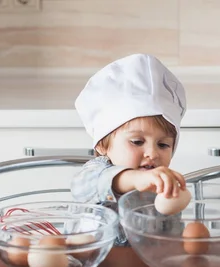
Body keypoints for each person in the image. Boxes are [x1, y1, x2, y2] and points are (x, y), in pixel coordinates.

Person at [71, 53, 188, 245]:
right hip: (93, 265)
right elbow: (82, 186)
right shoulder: (95, 172)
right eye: (137, 141)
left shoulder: (160, 186)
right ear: (102, 145)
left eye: (163, 144)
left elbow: (168, 240)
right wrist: (137, 179)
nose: (152, 153)